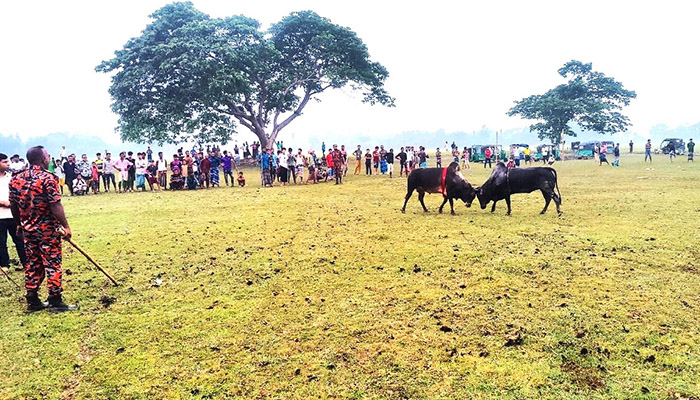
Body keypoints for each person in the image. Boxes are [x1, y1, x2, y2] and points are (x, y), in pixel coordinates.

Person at [9, 146, 75, 312]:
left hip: (28, 230)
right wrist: (65, 226)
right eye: (47, 156)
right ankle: (55, 300)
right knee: (52, 263)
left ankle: (32, 299)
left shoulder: (16, 179)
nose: (49, 158)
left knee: (33, 263)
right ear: (43, 159)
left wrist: (19, 224)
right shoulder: (47, 178)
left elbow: (13, 205)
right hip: (47, 230)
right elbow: (55, 204)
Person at [0, 153, 27, 276]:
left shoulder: (11, 177)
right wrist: (2, 202)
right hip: (0, 216)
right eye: (5, 162)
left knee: (19, 239)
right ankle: (4, 265)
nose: (8, 164)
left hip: (13, 215)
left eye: (7, 162)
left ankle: (26, 263)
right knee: (1, 242)